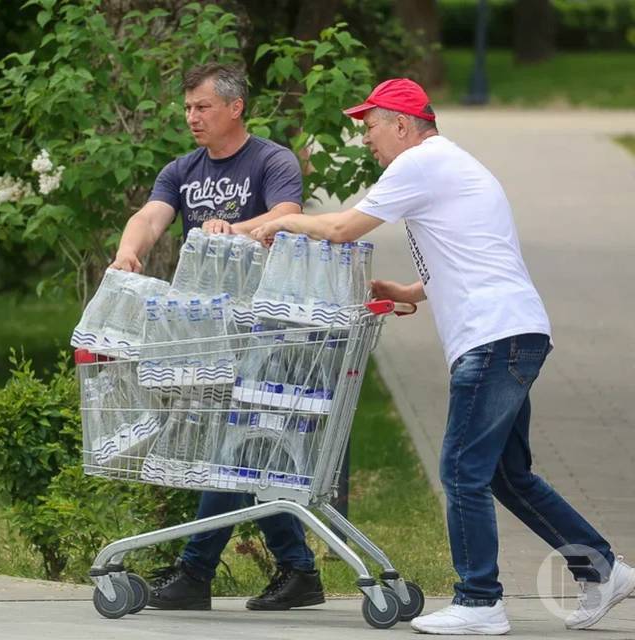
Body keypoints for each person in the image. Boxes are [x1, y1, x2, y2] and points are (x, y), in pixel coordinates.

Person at [251, 78, 635, 634]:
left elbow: (340, 228)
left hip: (493, 338)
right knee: (507, 474)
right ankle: (601, 571)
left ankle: (480, 601)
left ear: (403, 125)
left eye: (370, 126)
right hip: (514, 333)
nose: (366, 140)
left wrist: (285, 220)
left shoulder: (421, 163)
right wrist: (409, 291)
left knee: (460, 470)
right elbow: (473, 249)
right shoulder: (451, 165)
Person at [110, 62, 325, 612]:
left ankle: (196, 572)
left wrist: (241, 228)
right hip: (205, 335)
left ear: (235, 107)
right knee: (240, 450)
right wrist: (128, 249)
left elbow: (287, 215)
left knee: (232, 447)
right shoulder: (182, 169)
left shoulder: (271, 160)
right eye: (187, 108)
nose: (192, 117)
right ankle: (297, 569)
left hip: (264, 331)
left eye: (202, 107)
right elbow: (152, 215)